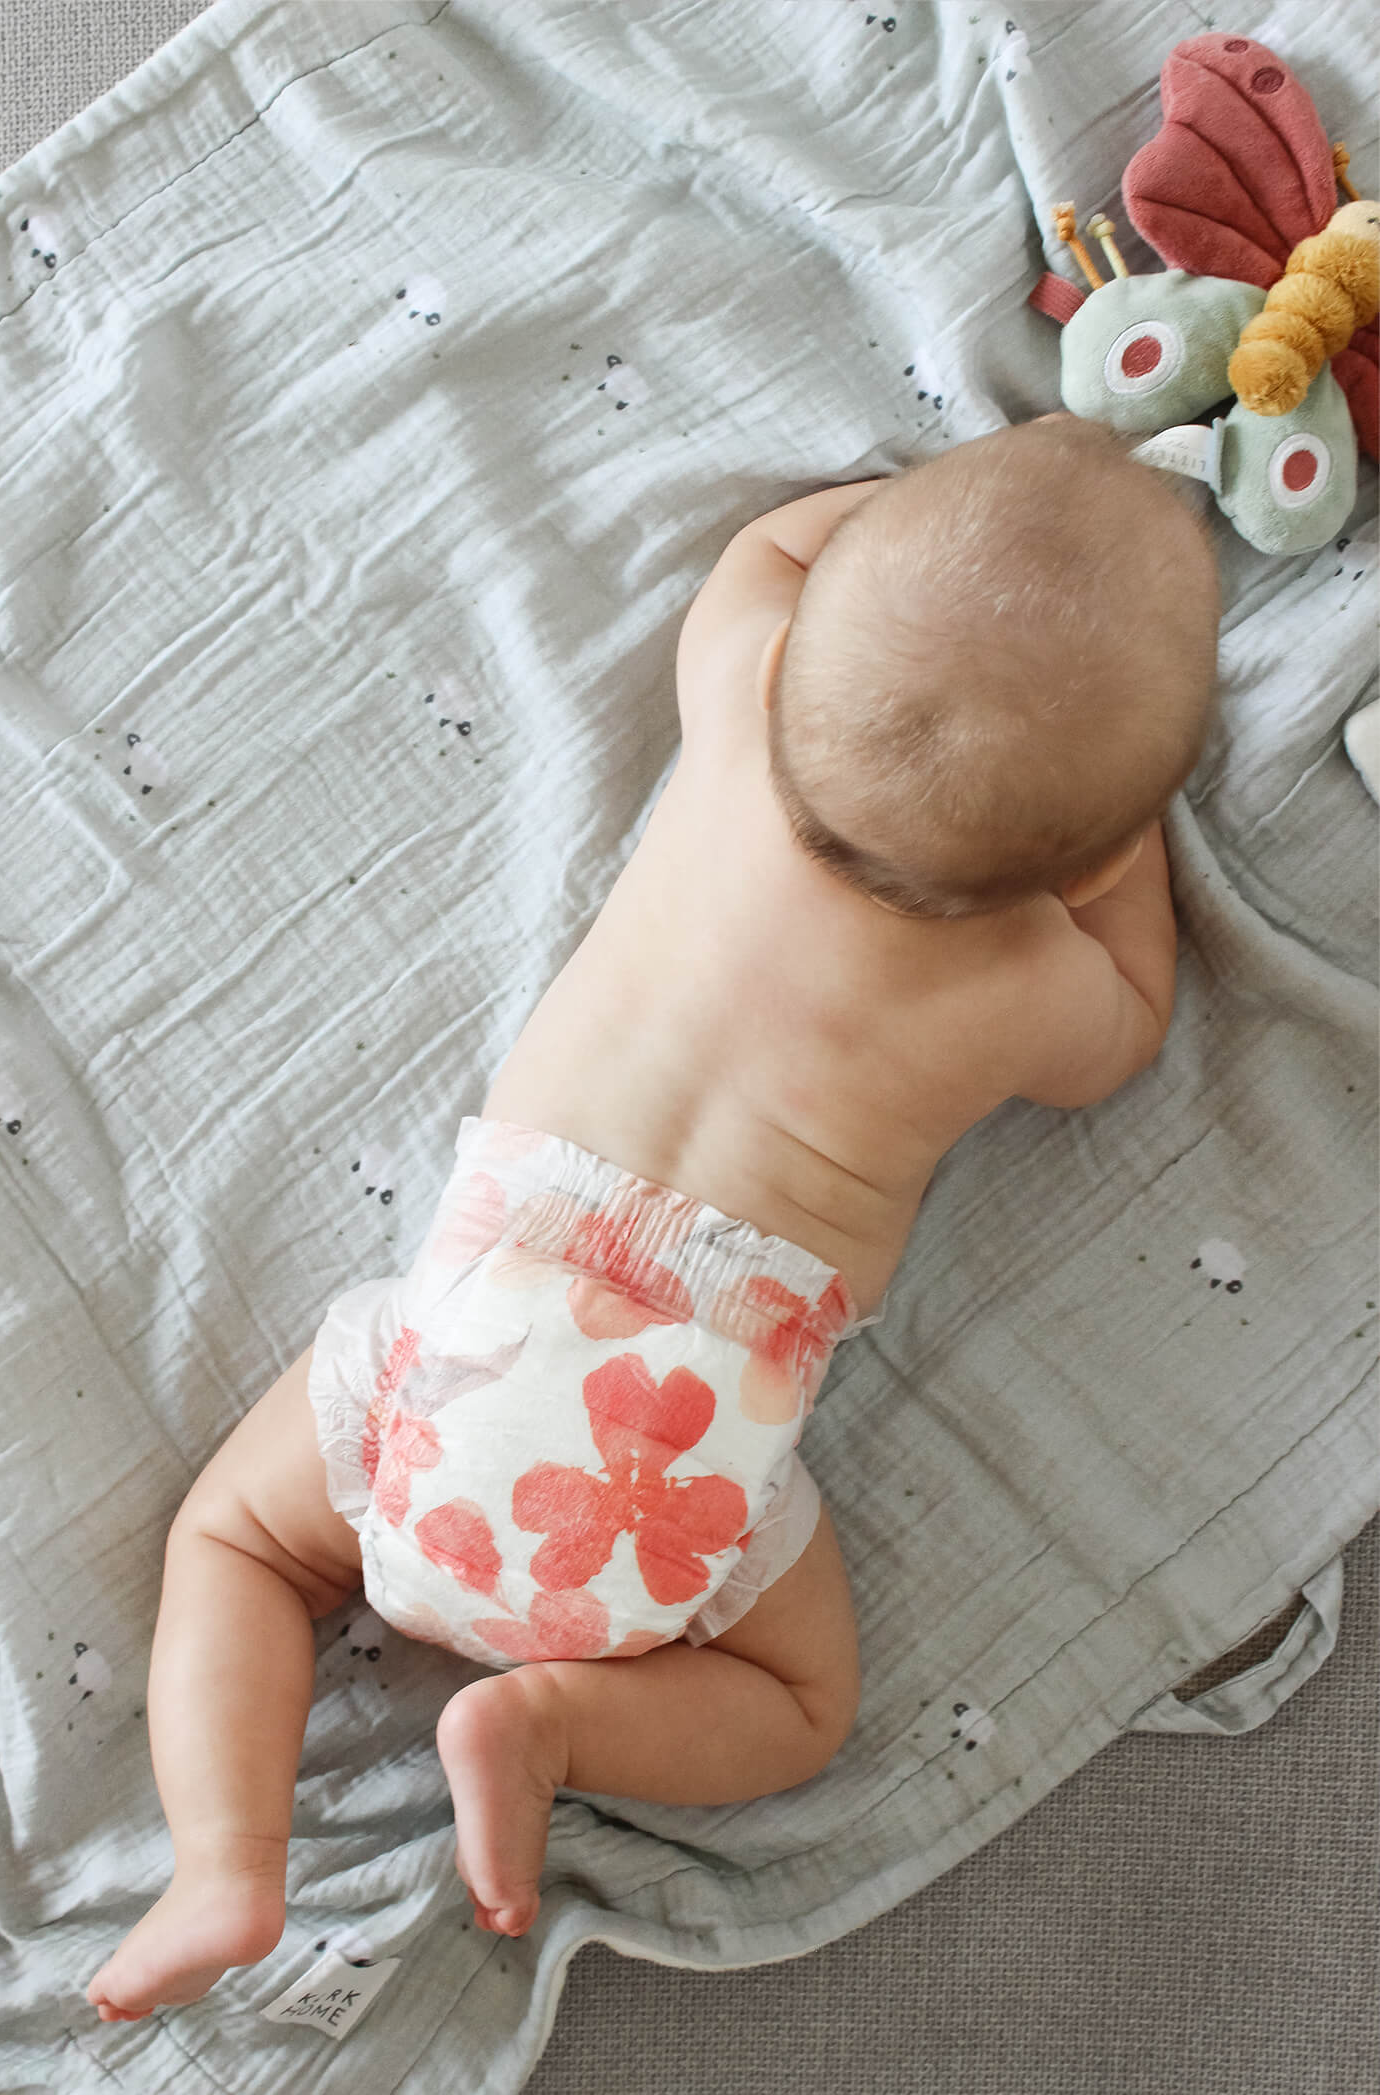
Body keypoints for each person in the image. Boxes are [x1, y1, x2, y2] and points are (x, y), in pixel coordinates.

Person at [87, 415, 1219, 2021]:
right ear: (1091, 854)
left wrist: (936, 507)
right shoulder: (1032, 973)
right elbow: (1132, 1026)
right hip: (683, 1469)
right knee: (800, 1703)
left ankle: (224, 1861)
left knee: (241, 1546)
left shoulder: (747, 690)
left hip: (469, 1347)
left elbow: (764, 555)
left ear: (805, 649)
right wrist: (1116, 851)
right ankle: (550, 1723)